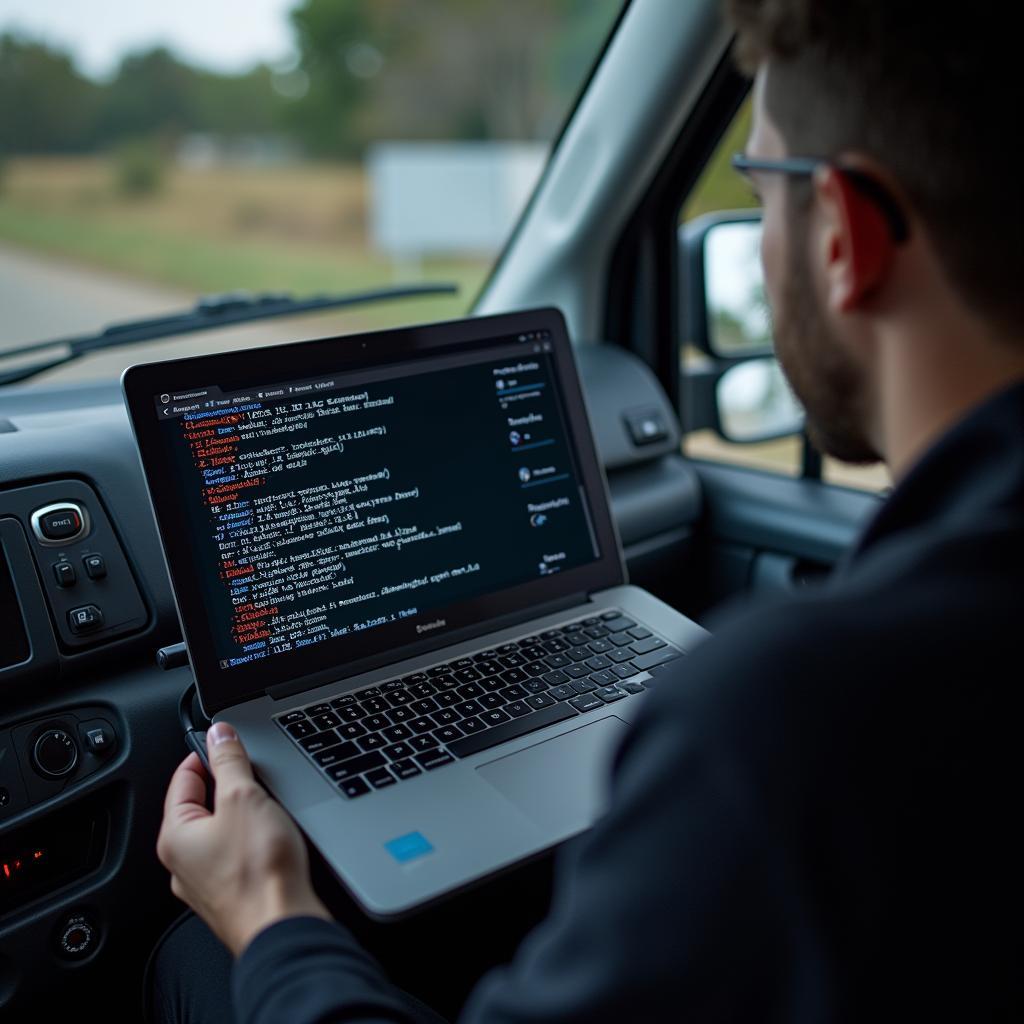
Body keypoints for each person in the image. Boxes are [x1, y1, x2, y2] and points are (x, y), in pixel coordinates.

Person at [149, 1, 1024, 1020]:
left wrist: (271, 914)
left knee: (190, 962)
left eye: (760, 185)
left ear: (844, 232)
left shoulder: (787, 721)